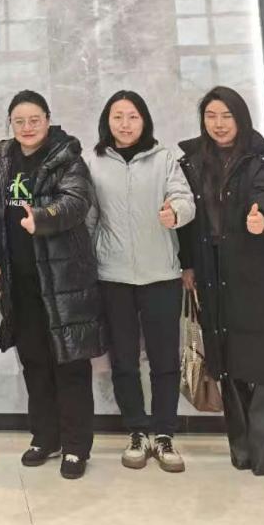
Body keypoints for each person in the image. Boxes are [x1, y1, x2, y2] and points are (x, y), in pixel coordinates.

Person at [177, 86, 264, 476]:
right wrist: (188, 265)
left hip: (259, 273)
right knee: (227, 361)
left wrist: (261, 215)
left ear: (241, 118)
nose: (219, 124)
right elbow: (189, 223)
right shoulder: (192, 161)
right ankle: (242, 450)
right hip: (214, 273)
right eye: (211, 116)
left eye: (227, 116)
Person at [0, 90, 105, 480]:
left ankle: (76, 446)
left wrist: (41, 217)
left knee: (70, 366)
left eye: (34, 120)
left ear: (48, 120)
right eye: (19, 121)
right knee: (34, 363)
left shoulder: (67, 158)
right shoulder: (2, 164)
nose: (27, 127)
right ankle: (45, 437)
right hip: (21, 283)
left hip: (64, 281)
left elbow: (76, 202)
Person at [87, 90, 195, 473]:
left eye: (132, 116)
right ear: (107, 121)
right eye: (118, 116)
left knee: (165, 360)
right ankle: (136, 430)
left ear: (144, 120)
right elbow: (89, 217)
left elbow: (185, 199)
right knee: (124, 361)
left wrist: (175, 213)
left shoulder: (164, 159)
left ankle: (164, 434)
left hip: (160, 275)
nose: (125, 124)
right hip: (112, 275)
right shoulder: (94, 162)